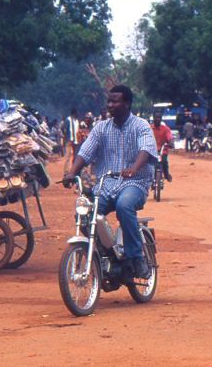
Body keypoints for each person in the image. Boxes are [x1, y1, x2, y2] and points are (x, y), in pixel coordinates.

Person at [63, 85, 158, 279]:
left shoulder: (140, 126)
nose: (110, 105)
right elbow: (85, 152)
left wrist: (134, 168)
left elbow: (146, 150)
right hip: (105, 185)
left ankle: (136, 257)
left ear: (127, 104)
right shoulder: (101, 128)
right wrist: (72, 173)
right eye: (109, 101)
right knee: (85, 214)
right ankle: (103, 253)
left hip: (135, 183)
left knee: (124, 206)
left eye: (115, 101)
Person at [151, 111, 174, 182]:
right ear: (153, 118)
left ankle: (166, 174)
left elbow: (170, 137)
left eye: (159, 118)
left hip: (162, 150)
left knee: (164, 161)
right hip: (151, 150)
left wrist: (171, 143)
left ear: (161, 119)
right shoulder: (149, 128)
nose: (158, 119)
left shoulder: (165, 129)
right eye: (156, 117)